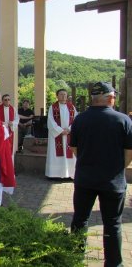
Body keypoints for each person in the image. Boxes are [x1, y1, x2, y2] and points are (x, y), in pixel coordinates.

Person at [70, 82, 132, 266]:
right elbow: (129, 153)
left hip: (85, 179)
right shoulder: (123, 120)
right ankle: (114, 264)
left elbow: (74, 148)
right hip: (112, 181)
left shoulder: (80, 119)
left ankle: (74, 258)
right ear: (110, 98)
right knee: (112, 224)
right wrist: (117, 167)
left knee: (80, 220)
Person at [45, 89, 77, 179]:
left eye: (65, 94)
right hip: (57, 135)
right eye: (61, 94)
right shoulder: (53, 107)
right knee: (56, 154)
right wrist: (60, 130)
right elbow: (50, 121)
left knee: (69, 154)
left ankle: (70, 174)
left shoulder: (72, 107)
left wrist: (69, 129)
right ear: (57, 96)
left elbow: (76, 120)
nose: (63, 96)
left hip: (68, 134)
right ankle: (55, 174)